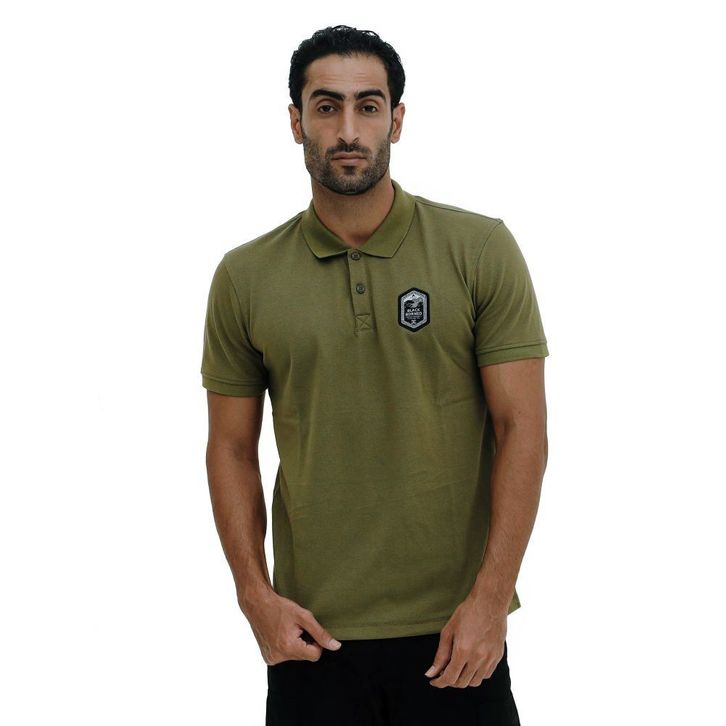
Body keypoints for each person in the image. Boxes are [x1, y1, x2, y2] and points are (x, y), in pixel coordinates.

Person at [200, 24, 549, 725]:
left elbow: (523, 429)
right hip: (310, 636)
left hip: (457, 634)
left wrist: (490, 601)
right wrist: (255, 598)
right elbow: (230, 448)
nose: (348, 130)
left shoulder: (479, 249)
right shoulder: (246, 276)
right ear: (296, 122)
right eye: (326, 107)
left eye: (368, 105)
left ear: (397, 119)